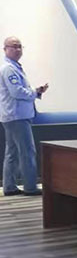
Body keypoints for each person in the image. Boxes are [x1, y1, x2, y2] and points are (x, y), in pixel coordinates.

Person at [0, 36, 48, 197]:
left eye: (20, 46)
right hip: (17, 117)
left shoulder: (14, 68)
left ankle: (9, 186)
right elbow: (17, 92)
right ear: (5, 49)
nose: (18, 49)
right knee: (27, 152)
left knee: (12, 152)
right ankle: (30, 187)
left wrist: (36, 91)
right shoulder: (9, 69)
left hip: (13, 116)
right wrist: (34, 92)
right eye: (13, 46)